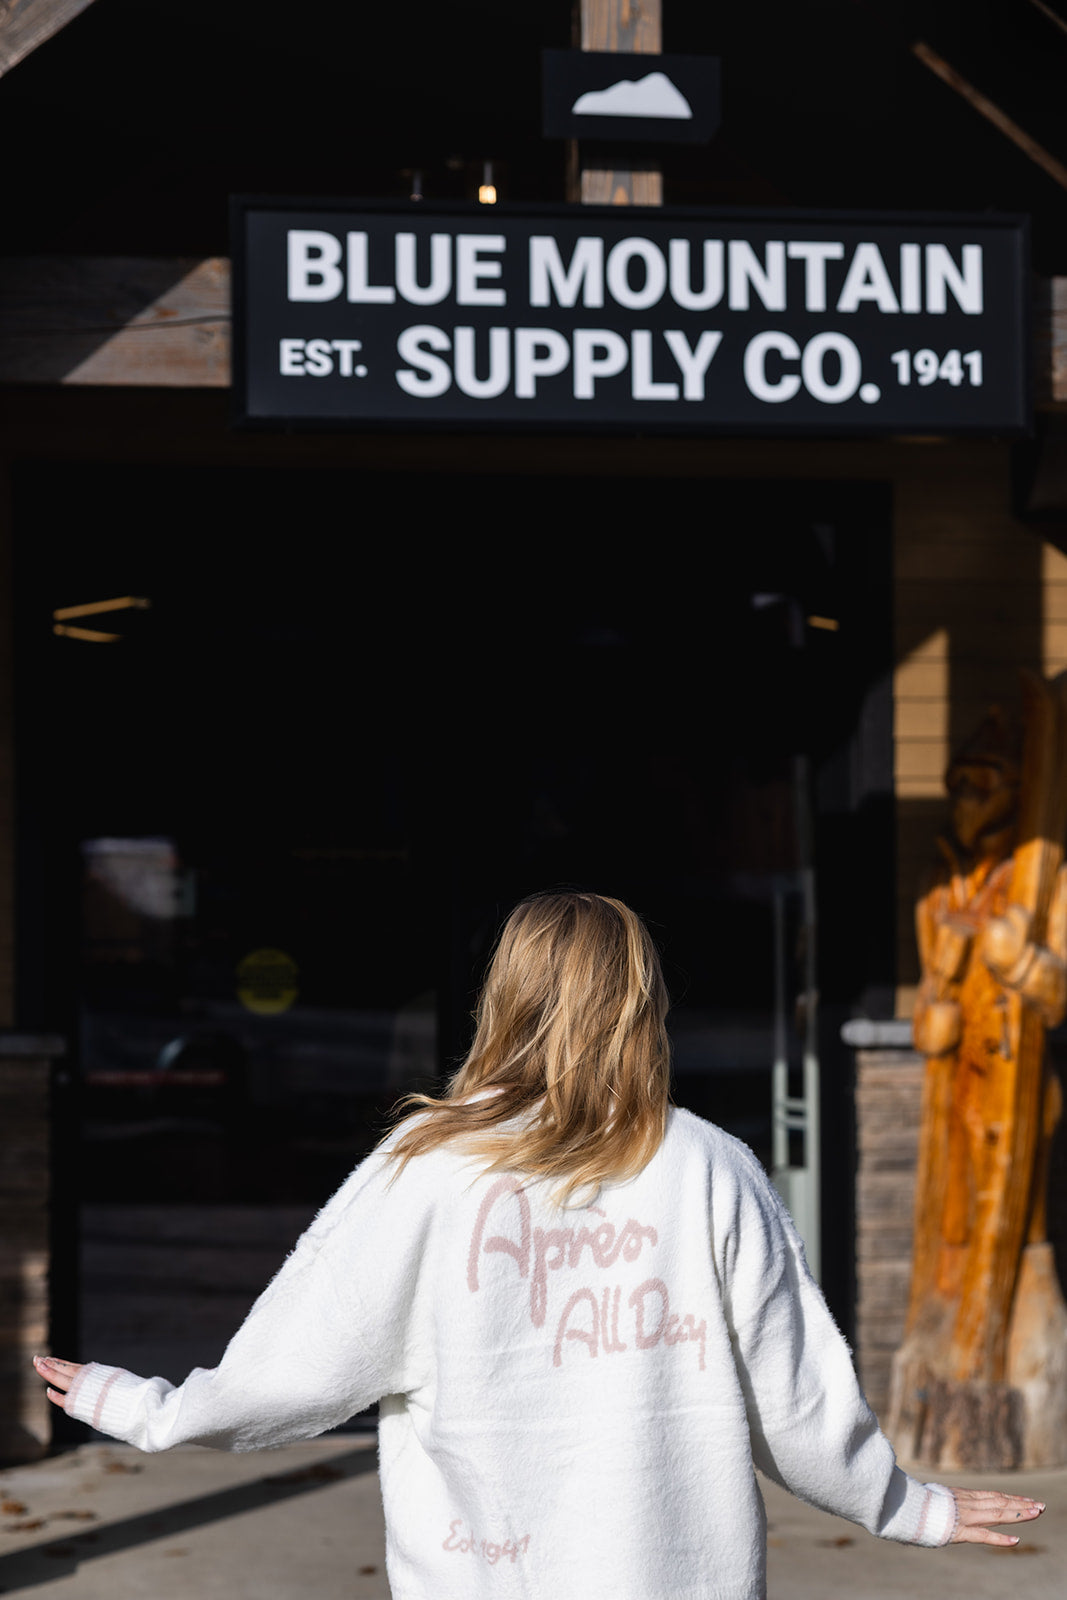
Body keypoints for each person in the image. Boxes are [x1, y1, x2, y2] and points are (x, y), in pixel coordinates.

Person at [35, 891, 1043, 1598]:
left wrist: (144, 1410)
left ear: (501, 1000)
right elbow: (797, 1405)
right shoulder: (710, 1168)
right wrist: (908, 1508)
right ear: (641, 1007)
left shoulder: (422, 1168)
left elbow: (293, 1369)